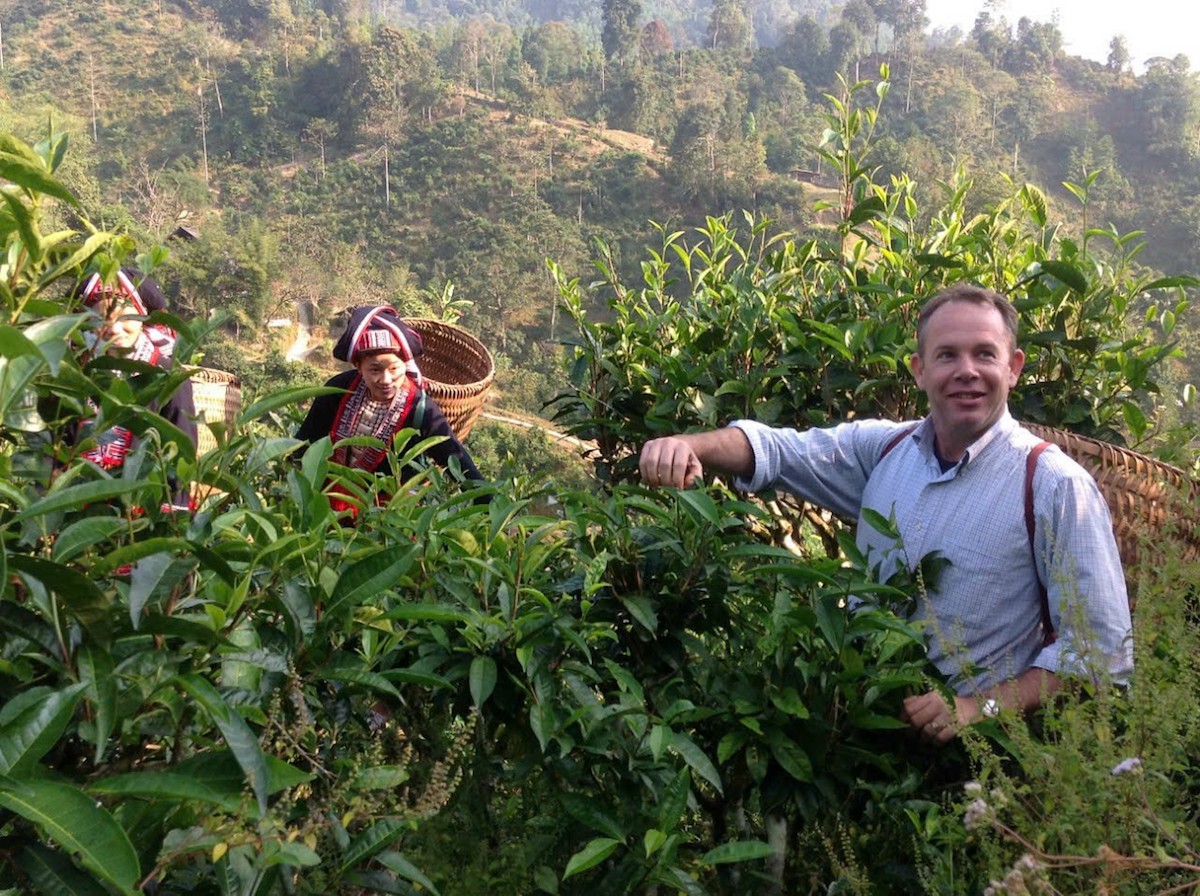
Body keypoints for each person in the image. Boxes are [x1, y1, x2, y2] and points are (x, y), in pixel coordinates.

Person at [638, 284, 1133, 744]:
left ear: (1014, 367)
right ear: (919, 370)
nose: (967, 370)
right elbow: (776, 450)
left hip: (990, 766)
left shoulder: (1053, 484)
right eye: (947, 355)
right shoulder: (885, 451)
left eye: (985, 353)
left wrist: (974, 708)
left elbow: (1100, 653)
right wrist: (686, 445)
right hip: (863, 740)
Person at [295, 305, 483, 513]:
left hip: (385, 521)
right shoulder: (338, 390)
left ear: (406, 363)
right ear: (358, 366)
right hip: (324, 504)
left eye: (394, 368)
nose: (386, 380)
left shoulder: (421, 410)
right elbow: (304, 443)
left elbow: (459, 464)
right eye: (374, 369)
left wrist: (490, 510)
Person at [73, 268, 199, 507]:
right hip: (77, 506)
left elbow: (181, 451)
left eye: (125, 318)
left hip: (141, 511)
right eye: (101, 319)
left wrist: (173, 517)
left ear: (143, 319)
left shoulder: (168, 376)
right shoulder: (75, 373)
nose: (114, 328)